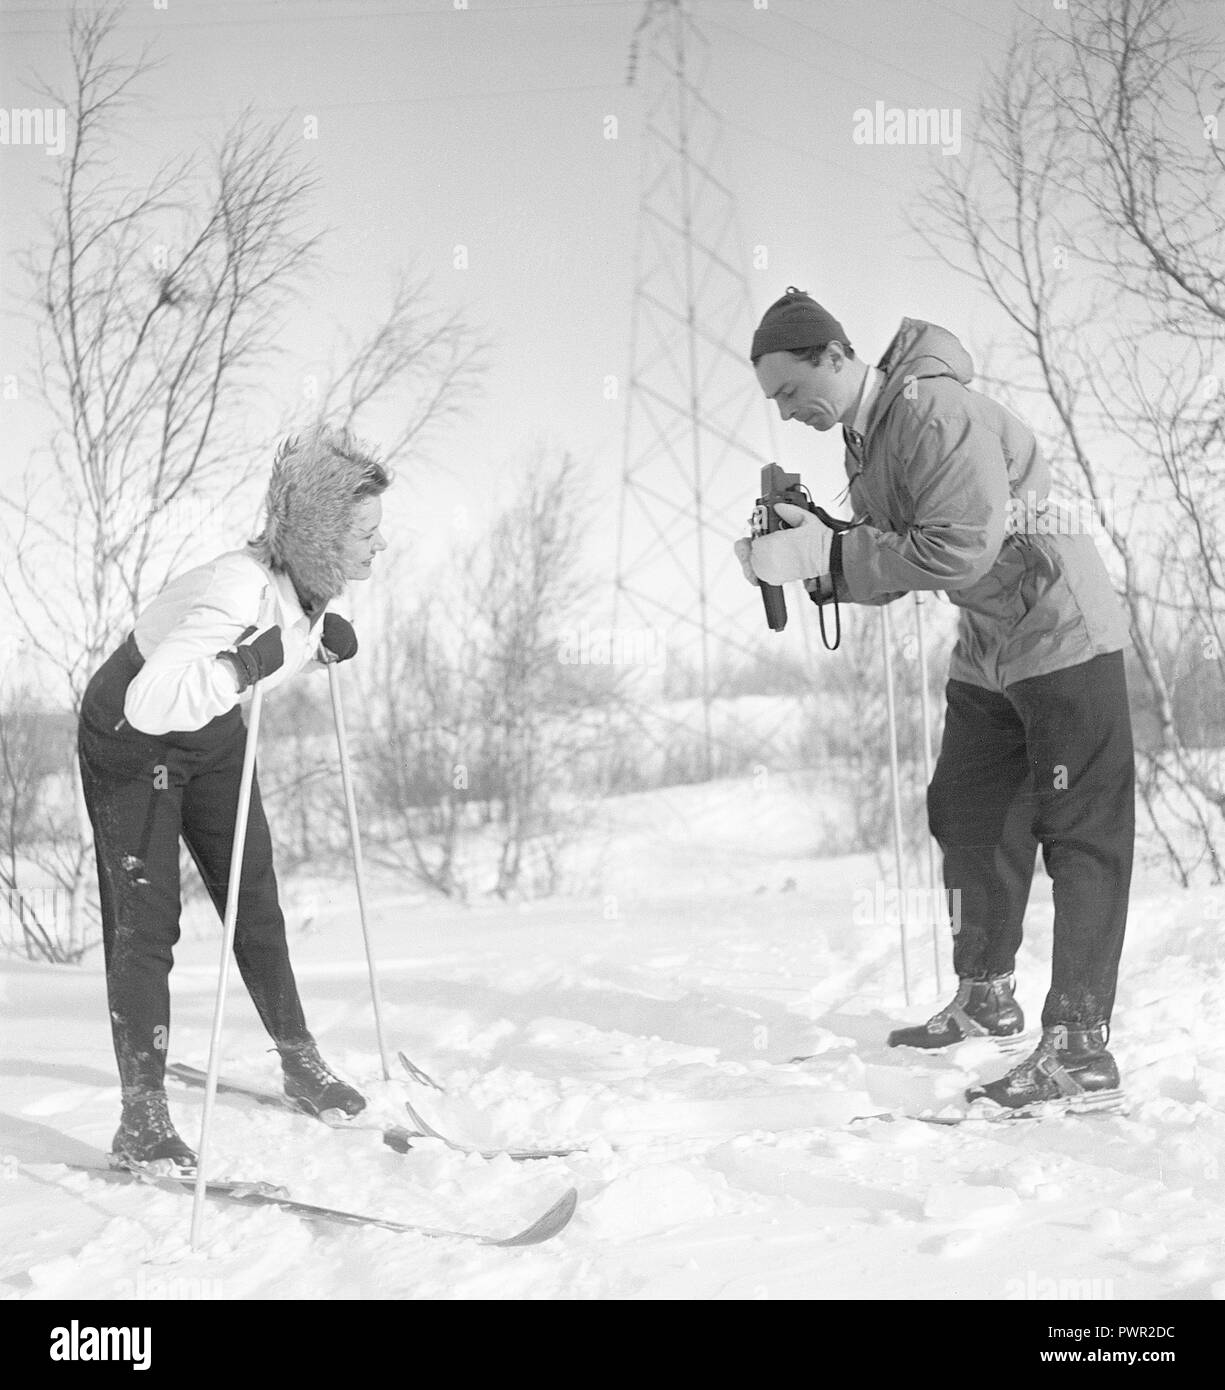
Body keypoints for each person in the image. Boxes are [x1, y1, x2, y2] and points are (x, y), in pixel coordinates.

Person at [738, 287, 1135, 1110]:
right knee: (965, 808)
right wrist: (811, 551)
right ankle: (985, 993)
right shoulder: (867, 434)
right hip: (992, 645)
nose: (784, 412)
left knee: (1078, 834)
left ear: (836, 357)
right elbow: (905, 556)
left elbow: (955, 548)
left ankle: (1078, 1049)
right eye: (771, 400)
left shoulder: (931, 409)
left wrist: (835, 557)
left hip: (1060, 631)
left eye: (787, 390)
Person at [78, 426, 390, 1172]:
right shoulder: (234, 586)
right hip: (134, 734)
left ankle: (298, 1059)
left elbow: (266, 652)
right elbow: (158, 699)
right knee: (147, 925)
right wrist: (244, 663)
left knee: (254, 895)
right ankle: (141, 1121)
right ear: (318, 536)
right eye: (366, 533)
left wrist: (315, 645)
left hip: (213, 733)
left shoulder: (300, 588)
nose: (379, 547)